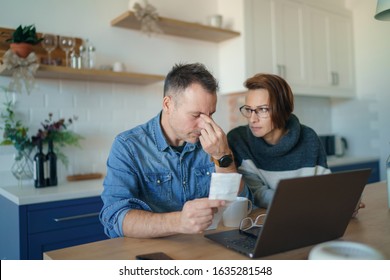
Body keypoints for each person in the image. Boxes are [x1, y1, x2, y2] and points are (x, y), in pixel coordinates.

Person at [100, 63, 249, 239]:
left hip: (204, 249)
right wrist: (179, 222)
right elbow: (114, 218)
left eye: (210, 115)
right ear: (168, 104)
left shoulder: (214, 143)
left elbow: (241, 205)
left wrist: (223, 157)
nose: (205, 125)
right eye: (196, 115)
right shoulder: (128, 146)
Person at [227, 73, 332, 209]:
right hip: (259, 221)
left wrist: (343, 200)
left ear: (284, 110)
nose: (252, 119)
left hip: (307, 217)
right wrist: (300, 202)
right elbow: (256, 193)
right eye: (248, 109)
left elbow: (326, 186)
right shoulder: (238, 140)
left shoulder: (309, 138)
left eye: (263, 109)